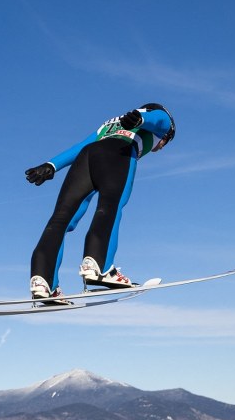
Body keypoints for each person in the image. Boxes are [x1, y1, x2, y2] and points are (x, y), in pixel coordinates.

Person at [24, 103, 176, 303]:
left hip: (87, 156)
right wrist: (143, 119)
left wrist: (51, 165)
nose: (161, 147)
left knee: (61, 218)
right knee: (110, 206)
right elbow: (159, 118)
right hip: (118, 153)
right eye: (165, 143)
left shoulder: (109, 124)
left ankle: (43, 282)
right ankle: (99, 266)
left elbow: (81, 146)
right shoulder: (157, 123)